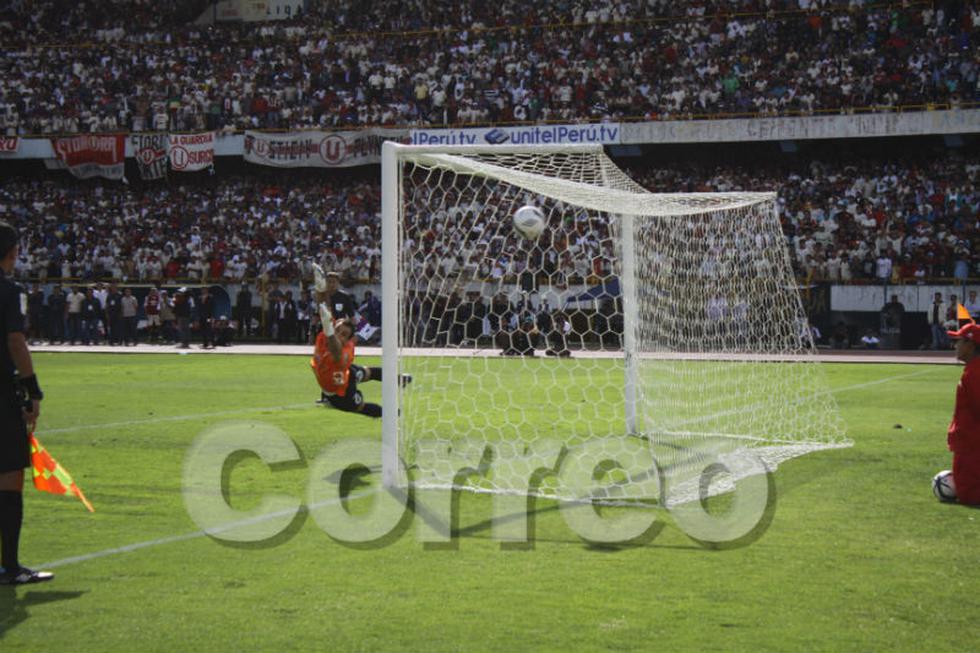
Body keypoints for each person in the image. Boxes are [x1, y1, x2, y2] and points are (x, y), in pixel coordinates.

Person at [0, 221, 53, 584]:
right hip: (1, 393)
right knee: (9, 476)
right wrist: (32, 390)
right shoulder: (9, 290)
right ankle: (11, 566)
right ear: (12, 252)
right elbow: (15, 340)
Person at [938, 323, 980, 505]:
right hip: (970, 442)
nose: (955, 346)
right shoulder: (973, 370)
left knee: (969, 494)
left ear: (970, 345)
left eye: (959, 341)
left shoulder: (974, 373)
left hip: (972, 444)